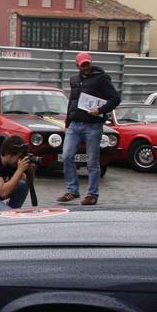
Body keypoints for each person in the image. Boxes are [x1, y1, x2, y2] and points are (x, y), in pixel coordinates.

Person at [58, 52, 121, 206]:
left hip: (93, 125)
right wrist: (67, 123)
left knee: (92, 161)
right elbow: (72, 102)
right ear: (77, 65)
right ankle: (72, 190)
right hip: (75, 124)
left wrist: (100, 111)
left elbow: (115, 98)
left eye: (87, 63)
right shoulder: (74, 80)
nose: (86, 67)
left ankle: (92, 194)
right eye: (82, 64)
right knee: (67, 156)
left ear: (90, 63)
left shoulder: (102, 78)